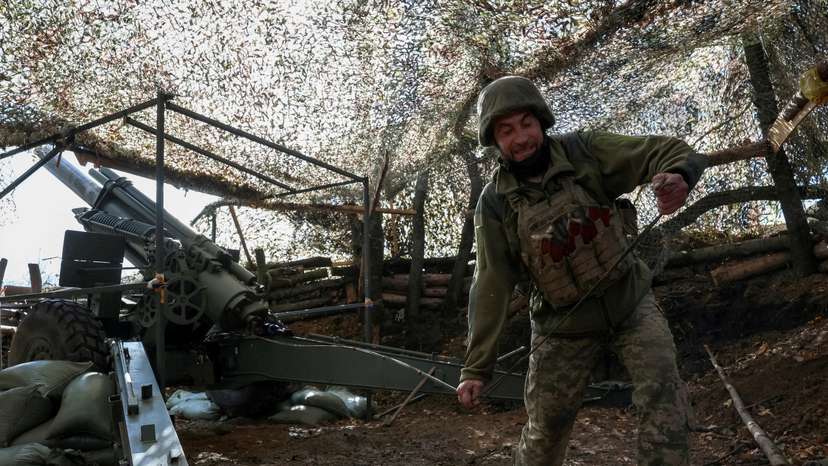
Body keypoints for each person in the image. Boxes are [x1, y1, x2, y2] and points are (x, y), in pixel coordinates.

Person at [456, 76, 707, 466]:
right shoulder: (495, 203)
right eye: (506, 131)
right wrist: (476, 367)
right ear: (494, 140)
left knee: (663, 395)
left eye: (526, 124)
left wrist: (679, 175)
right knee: (546, 428)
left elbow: (661, 151)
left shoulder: (585, 152)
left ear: (541, 121)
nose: (520, 138)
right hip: (561, 326)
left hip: (630, 305)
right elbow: (491, 281)